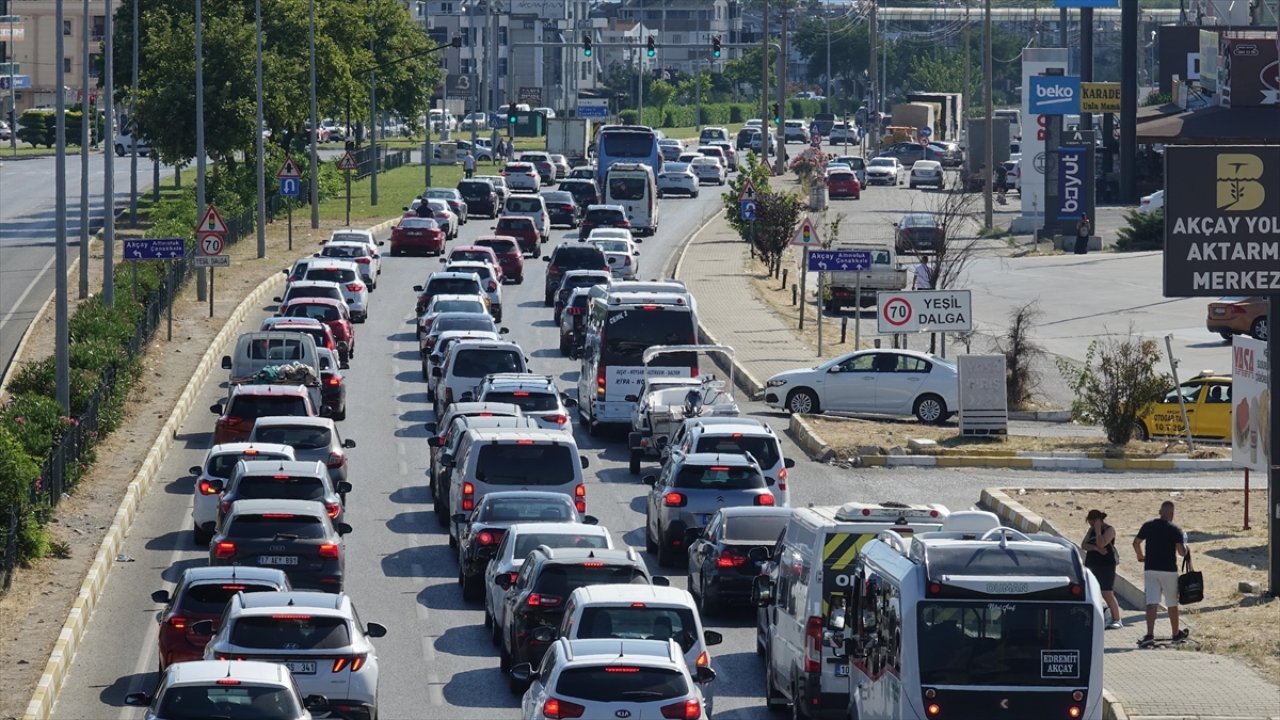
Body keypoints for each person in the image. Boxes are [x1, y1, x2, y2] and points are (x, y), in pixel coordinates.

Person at [1132, 500, 1189, 646]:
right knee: (1172, 603)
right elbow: (1181, 552)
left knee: (1152, 602)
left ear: (1159, 512)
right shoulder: (1175, 529)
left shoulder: (1148, 526)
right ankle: (1175, 634)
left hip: (1150, 568)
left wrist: (1140, 556)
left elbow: (1136, 542)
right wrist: (1186, 547)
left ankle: (1149, 634)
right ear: (1172, 514)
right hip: (1169, 570)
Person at [1082, 509, 1124, 629]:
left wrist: (1098, 531)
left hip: (1106, 564)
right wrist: (1095, 548)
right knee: (1091, 590)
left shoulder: (1110, 530)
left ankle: (1117, 619)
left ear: (1098, 521)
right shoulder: (1091, 530)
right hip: (1092, 563)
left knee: (1107, 592)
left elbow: (1101, 543)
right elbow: (1084, 545)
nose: (1091, 525)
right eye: (1090, 523)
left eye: (1092, 522)